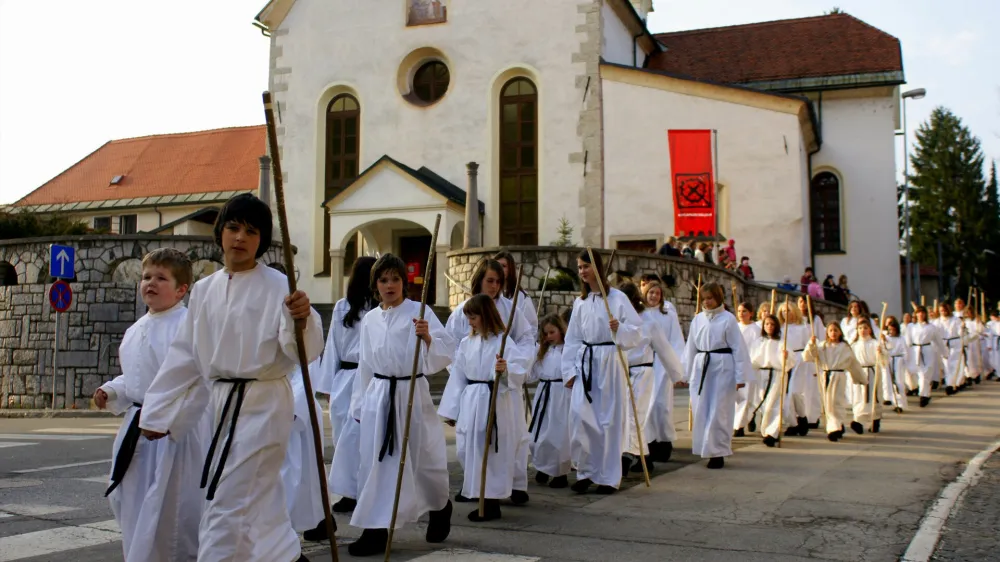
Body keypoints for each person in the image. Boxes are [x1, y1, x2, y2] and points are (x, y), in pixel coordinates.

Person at [139, 193, 324, 562]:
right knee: (259, 506)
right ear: (220, 232)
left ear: (262, 240)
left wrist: (301, 318)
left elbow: (300, 350)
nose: (240, 237)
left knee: (227, 505)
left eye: (251, 231)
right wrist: (156, 411)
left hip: (263, 405)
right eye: (233, 227)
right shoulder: (205, 290)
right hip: (221, 406)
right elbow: (187, 354)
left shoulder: (278, 285)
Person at [94, 248, 208, 562]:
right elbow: (138, 378)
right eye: (146, 277)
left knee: (173, 509)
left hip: (174, 433)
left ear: (182, 289)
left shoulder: (188, 326)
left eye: (161, 278)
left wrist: (170, 420)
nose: (150, 283)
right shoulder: (136, 330)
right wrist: (111, 390)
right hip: (137, 430)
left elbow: (195, 380)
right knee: (131, 502)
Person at [347, 253, 454, 557]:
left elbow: (447, 352)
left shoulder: (419, 312)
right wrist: (360, 405)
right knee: (377, 463)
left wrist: (428, 337)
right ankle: (376, 529)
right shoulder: (370, 320)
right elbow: (365, 364)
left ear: (404, 283)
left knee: (422, 459)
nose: (389, 284)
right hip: (380, 395)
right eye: (383, 279)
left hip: (411, 394)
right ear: (375, 285)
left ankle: (440, 505)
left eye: (395, 278)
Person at [440, 259, 534, 505]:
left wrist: (510, 370)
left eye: (498, 282)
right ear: (479, 280)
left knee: (506, 440)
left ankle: (511, 486)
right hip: (474, 392)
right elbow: (455, 355)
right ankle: (474, 486)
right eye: (489, 280)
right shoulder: (464, 313)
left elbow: (525, 339)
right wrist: (455, 404)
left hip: (501, 390)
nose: (494, 286)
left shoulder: (510, 311)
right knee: (469, 442)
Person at [562, 250, 645, 493]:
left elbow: (637, 332)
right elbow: (573, 338)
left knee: (608, 421)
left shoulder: (617, 299)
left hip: (610, 362)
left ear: (597, 268)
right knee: (582, 419)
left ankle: (608, 477)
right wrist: (570, 370)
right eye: (579, 267)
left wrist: (619, 328)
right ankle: (586, 472)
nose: (582, 271)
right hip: (587, 363)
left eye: (585, 266)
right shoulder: (581, 302)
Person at [317, 256, 377, 521]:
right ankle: (349, 491)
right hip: (346, 377)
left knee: (366, 438)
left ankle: (366, 489)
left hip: (372, 379)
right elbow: (332, 347)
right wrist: (328, 385)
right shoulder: (344, 307)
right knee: (344, 438)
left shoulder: (380, 308)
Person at [681, 282, 753, 469]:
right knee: (701, 408)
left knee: (719, 409)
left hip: (722, 367)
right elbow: (691, 347)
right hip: (702, 365)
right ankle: (706, 447)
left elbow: (738, 348)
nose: (707, 302)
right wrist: (685, 372)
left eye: (710, 298)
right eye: (704, 299)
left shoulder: (728, 319)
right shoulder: (698, 319)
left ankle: (718, 451)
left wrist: (740, 377)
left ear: (718, 298)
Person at [619, 282, 683, 474]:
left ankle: (625, 457)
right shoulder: (616, 320)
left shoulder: (648, 322)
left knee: (635, 416)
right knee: (624, 417)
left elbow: (664, 349)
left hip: (642, 373)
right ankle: (643, 457)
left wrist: (677, 374)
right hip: (619, 374)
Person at [281, 358, 327, 539]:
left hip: (295, 409)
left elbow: (308, 370)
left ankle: (316, 521)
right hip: (267, 406)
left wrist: (292, 409)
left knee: (303, 473)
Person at [641, 281, 686, 461]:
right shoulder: (640, 314)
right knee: (646, 405)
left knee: (661, 406)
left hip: (662, 364)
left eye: (657, 293)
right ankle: (648, 445)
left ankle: (664, 442)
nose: (653, 296)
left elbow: (676, 340)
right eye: (650, 293)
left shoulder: (668, 315)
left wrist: (677, 368)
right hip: (645, 363)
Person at [803, 322, 866, 442]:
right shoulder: (823, 346)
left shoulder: (844, 347)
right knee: (827, 403)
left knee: (836, 402)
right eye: (831, 330)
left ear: (840, 332)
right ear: (827, 332)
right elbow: (809, 356)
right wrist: (811, 344)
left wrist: (860, 377)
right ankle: (837, 425)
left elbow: (853, 363)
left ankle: (834, 428)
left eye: (836, 330)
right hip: (825, 375)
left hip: (839, 376)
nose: (833, 333)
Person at [528, 314, 572, 488]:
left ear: (561, 330)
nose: (548, 337)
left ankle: (559, 473)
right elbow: (532, 373)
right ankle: (543, 466)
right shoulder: (541, 351)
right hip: (544, 393)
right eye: (545, 334)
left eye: (552, 332)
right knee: (540, 434)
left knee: (559, 434)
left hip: (562, 394)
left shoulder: (568, 349)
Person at [750, 314, 796, 447]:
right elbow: (753, 358)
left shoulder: (782, 342)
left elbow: (791, 360)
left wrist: (786, 357)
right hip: (762, 374)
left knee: (775, 404)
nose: (769, 327)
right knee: (763, 404)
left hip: (777, 374)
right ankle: (767, 431)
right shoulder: (759, 342)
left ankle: (772, 433)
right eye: (767, 324)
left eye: (772, 324)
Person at [849, 321, 886, 434]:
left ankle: (869, 420)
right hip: (858, 372)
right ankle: (862, 420)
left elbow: (884, 360)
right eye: (860, 328)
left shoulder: (875, 343)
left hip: (871, 372)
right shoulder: (854, 345)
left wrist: (881, 353)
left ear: (870, 330)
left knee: (871, 397)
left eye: (865, 328)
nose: (863, 330)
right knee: (858, 397)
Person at [906, 306, 945, 406]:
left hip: (927, 351)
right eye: (919, 313)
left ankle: (923, 396)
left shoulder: (931, 327)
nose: (921, 315)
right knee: (915, 374)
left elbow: (939, 341)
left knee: (925, 374)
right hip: (914, 351)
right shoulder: (911, 327)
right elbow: (907, 341)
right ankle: (926, 393)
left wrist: (945, 353)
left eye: (923, 313)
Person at [796, 296, 824, 429]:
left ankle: (813, 416)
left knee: (812, 389)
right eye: (800, 302)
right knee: (800, 388)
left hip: (811, 356)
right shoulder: (796, 319)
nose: (802, 305)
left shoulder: (815, 320)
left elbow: (821, 337)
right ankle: (801, 415)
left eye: (805, 302)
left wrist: (815, 341)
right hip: (799, 357)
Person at [735, 302, 760, 435]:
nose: (741, 314)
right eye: (739, 311)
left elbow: (757, 348)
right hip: (735, 365)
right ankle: (739, 421)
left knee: (746, 396)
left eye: (744, 311)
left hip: (749, 365)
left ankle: (739, 426)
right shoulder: (735, 327)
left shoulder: (756, 330)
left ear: (751, 313)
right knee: (736, 397)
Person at [882, 317, 914, 413]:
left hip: (898, 361)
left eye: (893, 329)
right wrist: (883, 343)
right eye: (889, 329)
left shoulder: (901, 338)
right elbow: (884, 349)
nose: (891, 331)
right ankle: (895, 403)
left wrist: (904, 361)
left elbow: (905, 351)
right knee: (890, 382)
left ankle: (901, 403)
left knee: (899, 382)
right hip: (889, 360)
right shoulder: (886, 338)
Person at [934, 302, 965, 394]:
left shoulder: (955, 320)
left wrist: (962, 327)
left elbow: (960, 333)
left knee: (954, 364)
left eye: (944, 310)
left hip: (955, 343)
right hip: (943, 343)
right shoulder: (937, 321)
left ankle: (951, 385)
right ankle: (950, 383)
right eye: (941, 311)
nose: (943, 312)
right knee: (946, 365)